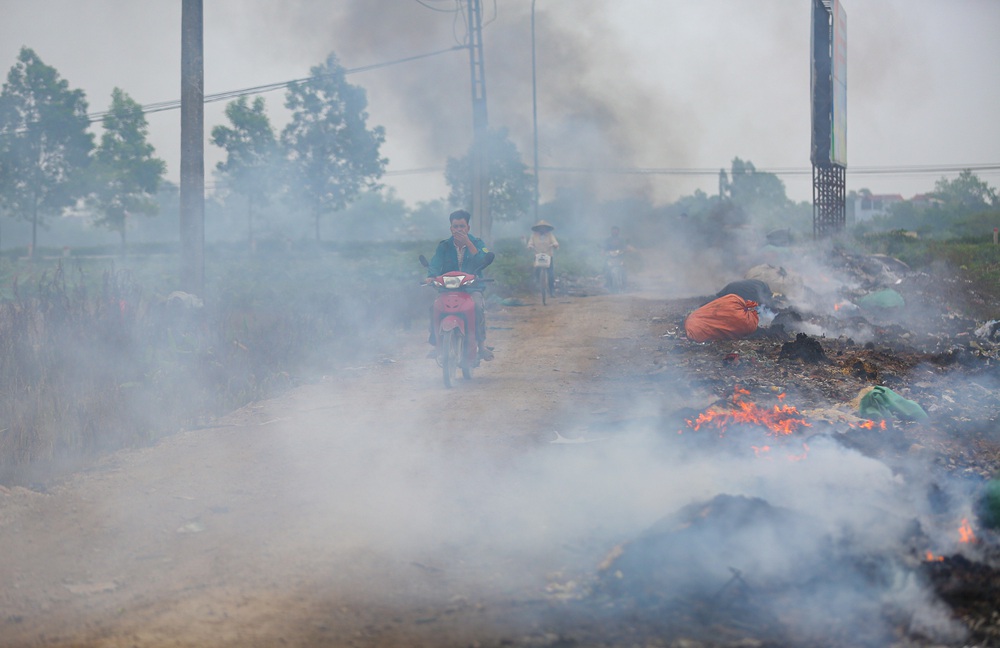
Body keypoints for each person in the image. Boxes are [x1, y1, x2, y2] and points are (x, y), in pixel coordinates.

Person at [425, 209, 493, 361]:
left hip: (471, 288)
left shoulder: (478, 243)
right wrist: (431, 276)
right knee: (434, 307)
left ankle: (481, 346)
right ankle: (436, 345)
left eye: (462, 226)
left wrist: (468, 243)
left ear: (468, 228)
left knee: (477, 307)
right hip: (447, 289)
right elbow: (435, 262)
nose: (459, 230)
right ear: (451, 228)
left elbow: (483, 259)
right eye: (455, 226)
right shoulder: (444, 246)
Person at [526, 219, 559, 294]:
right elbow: (530, 243)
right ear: (538, 228)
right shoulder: (534, 235)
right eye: (541, 227)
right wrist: (530, 246)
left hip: (548, 255)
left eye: (544, 227)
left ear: (546, 228)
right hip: (538, 255)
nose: (542, 229)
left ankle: (551, 290)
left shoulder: (550, 235)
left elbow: (555, 242)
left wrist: (555, 244)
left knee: (550, 273)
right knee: (537, 271)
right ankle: (538, 286)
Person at [602, 226, 635, 291]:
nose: (615, 232)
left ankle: (625, 284)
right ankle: (607, 282)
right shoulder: (608, 240)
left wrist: (627, 249)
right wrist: (603, 252)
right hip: (610, 258)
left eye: (616, 230)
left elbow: (627, 246)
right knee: (606, 267)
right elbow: (604, 248)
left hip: (620, 258)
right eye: (613, 230)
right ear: (611, 231)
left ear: (618, 232)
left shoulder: (621, 239)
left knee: (624, 268)